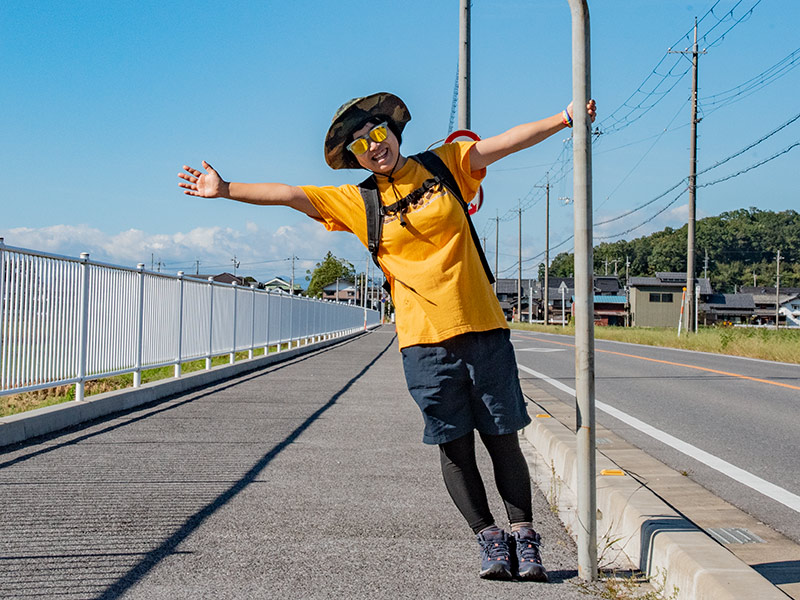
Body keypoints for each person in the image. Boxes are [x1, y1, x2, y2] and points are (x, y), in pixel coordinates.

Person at [179, 92, 596, 581]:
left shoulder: (445, 165)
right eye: (360, 146)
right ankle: (489, 540)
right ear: (354, 159)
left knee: (503, 440)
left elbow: (502, 145)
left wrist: (564, 119)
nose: (373, 148)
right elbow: (291, 194)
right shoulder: (360, 202)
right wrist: (226, 188)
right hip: (423, 343)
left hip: (483, 329)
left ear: (394, 133)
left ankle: (525, 538)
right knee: (455, 447)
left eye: (378, 135)